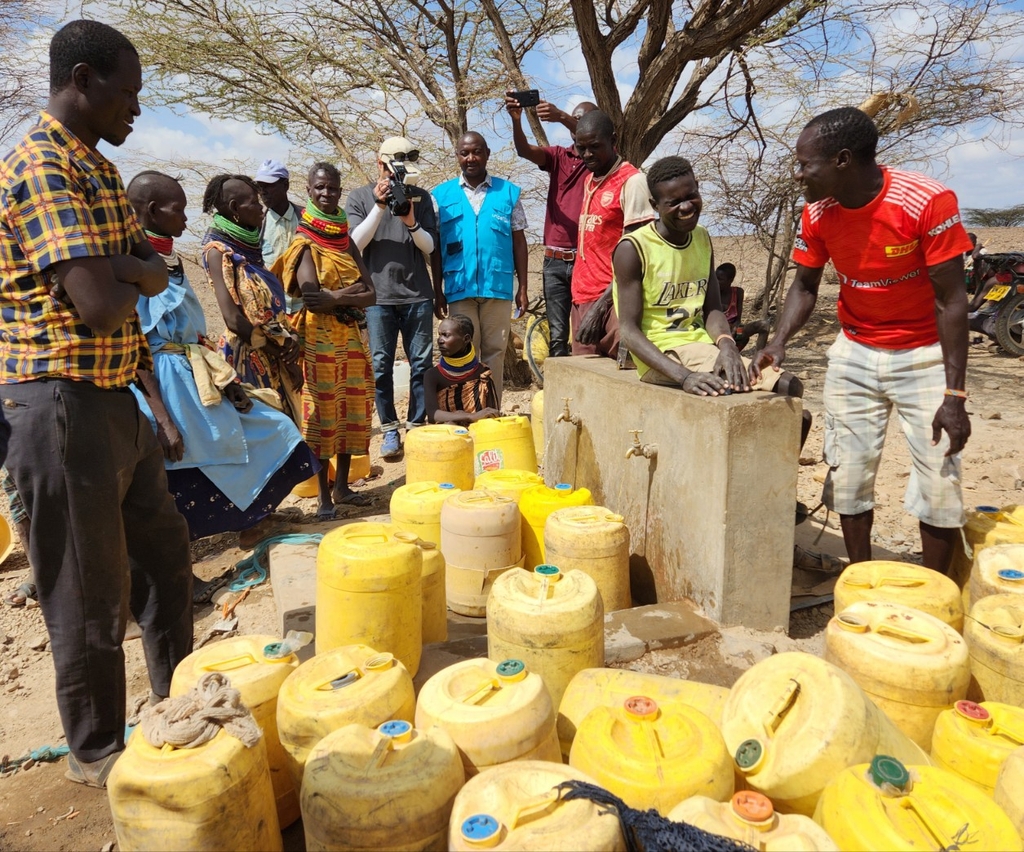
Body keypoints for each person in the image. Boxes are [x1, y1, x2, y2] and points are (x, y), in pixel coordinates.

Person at [0, 20, 193, 787]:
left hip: (114, 399)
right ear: (82, 78)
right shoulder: (42, 166)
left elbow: (149, 272)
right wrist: (131, 270)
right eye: (128, 92)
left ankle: (179, 706)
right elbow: (102, 304)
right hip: (58, 401)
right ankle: (97, 751)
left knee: (165, 563)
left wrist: (130, 267)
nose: (136, 110)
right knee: (88, 590)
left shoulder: (99, 171)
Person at [751, 106, 972, 574]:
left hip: (925, 355)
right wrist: (779, 341)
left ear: (843, 160)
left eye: (805, 163)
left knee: (939, 481)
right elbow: (805, 286)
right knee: (848, 474)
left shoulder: (926, 202)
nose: (798, 174)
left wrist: (954, 394)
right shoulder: (818, 212)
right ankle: (861, 582)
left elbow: (952, 301)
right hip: (854, 351)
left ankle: (934, 593)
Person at [125, 171, 317, 572]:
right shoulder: (135, 267)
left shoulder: (166, 258)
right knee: (186, 460)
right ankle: (188, 562)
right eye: (178, 209)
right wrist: (162, 418)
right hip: (167, 382)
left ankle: (256, 520)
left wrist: (226, 382)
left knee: (272, 428)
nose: (186, 218)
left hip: (196, 370)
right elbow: (137, 347)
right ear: (152, 211)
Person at [614, 156, 805, 409]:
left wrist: (727, 345)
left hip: (701, 347)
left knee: (791, 400)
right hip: (660, 355)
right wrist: (685, 377)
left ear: (698, 187)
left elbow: (712, 307)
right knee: (785, 386)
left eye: (691, 196)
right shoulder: (633, 248)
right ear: (655, 205)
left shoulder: (701, 237)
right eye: (674, 203)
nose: (686, 207)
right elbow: (628, 331)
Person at [276, 162, 376, 519]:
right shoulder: (304, 241)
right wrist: (349, 294)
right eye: (320, 187)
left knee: (352, 408)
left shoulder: (345, 239)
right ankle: (323, 498)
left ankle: (344, 487)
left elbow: (372, 293)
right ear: (308, 189)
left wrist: (338, 297)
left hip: (349, 335)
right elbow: (312, 295)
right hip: (319, 338)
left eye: (333, 188)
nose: (327, 194)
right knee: (321, 413)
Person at [347, 137, 437, 460]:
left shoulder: (422, 198)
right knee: (381, 366)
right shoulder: (359, 198)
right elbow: (355, 244)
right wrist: (380, 206)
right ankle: (388, 430)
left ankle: (415, 425)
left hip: (417, 295)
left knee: (422, 364)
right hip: (378, 298)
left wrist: (410, 221)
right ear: (379, 163)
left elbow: (429, 247)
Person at [433, 131, 529, 406]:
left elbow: (519, 242)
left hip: (496, 288)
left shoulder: (508, 193)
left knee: (495, 351)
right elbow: (436, 248)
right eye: (465, 153)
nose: (471, 158)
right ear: (458, 157)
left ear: (487, 153)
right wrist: (437, 290)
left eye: (477, 152)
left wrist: (522, 287)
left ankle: (491, 410)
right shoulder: (441, 196)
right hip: (459, 288)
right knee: (463, 350)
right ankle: (465, 408)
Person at [201, 173, 303, 424]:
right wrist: (280, 353)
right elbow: (234, 319)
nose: (261, 208)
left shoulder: (249, 249)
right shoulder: (219, 252)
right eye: (254, 203)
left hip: (274, 354)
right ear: (235, 208)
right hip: (247, 359)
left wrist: (288, 346)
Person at [505, 94, 597, 359]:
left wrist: (563, 117)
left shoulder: (600, 163)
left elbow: (592, 136)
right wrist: (516, 120)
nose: (578, 125)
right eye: (576, 120)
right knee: (557, 335)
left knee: (586, 333)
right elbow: (524, 151)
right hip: (554, 260)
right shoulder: (559, 156)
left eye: (584, 121)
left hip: (585, 260)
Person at [571, 110, 655, 358]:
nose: (587, 155)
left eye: (595, 147)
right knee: (582, 385)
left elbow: (638, 254)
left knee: (623, 380)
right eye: (581, 148)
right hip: (582, 297)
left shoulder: (633, 182)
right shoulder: (590, 180)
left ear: (613, 140)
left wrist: (600, 308)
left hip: (615, 302)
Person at [424, 314, 500, 425]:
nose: (440, 340)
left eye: (446, 335)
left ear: (466, 339)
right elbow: (433, 414)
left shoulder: (483, 372)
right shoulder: (433, 375)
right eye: (439, 335)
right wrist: (470, 416)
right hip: (446, 434)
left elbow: (491, 413)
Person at [254, 159, 302, 272]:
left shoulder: (306, 218)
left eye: (268, 185)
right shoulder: (257, 223)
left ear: (285, 185)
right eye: (260, 187)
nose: (263, 192)